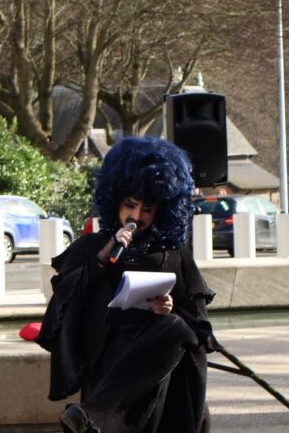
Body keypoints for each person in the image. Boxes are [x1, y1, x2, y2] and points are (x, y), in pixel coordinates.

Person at [36, 136, 215, 433]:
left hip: (160, 354)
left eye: (147, 209)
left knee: (175, 327)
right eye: (131, 205)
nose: (136, 216)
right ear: (115, 199)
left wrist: (169, 308)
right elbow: (64, 307)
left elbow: (198, 327)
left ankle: (89, 416)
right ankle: (95, 414)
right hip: (108, 351)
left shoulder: (175, 253)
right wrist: (103, 258)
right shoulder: (92, 246)